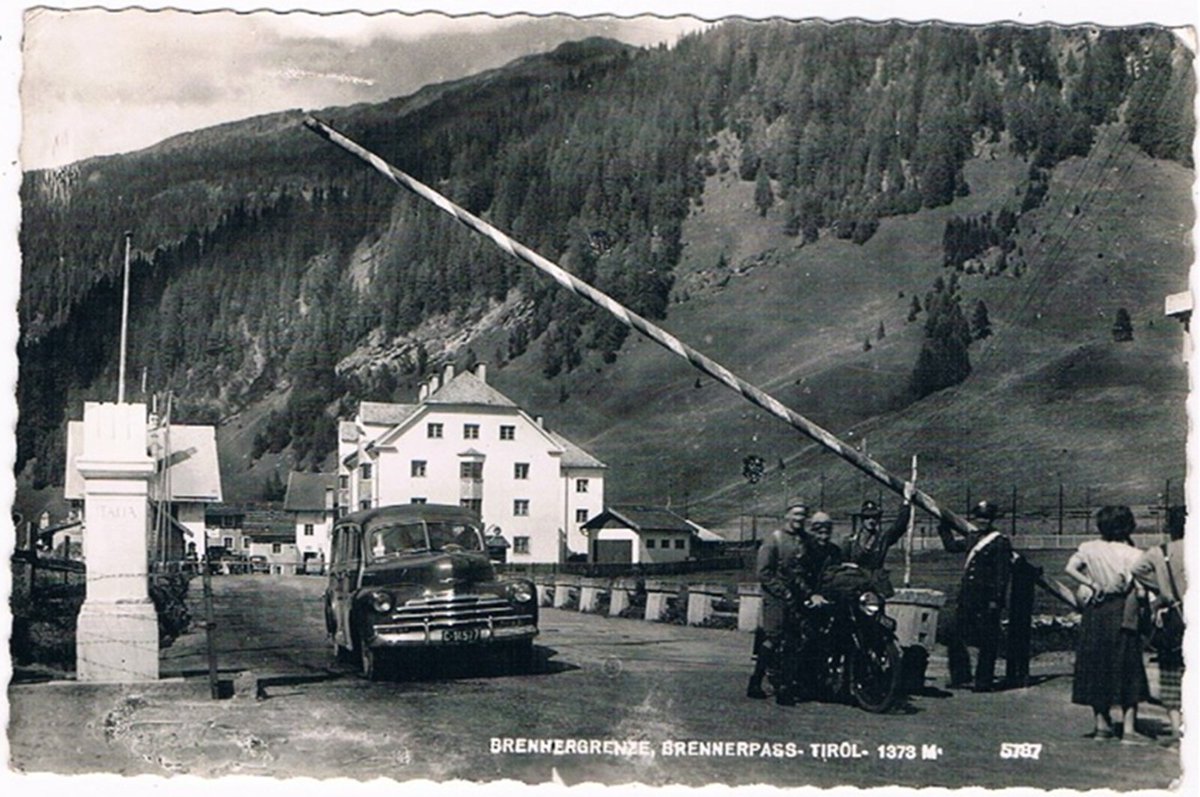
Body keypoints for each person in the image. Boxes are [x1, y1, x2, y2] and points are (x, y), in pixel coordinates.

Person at [1065, 505, 1150, 743]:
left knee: (1096, 664)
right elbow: (1142, 590)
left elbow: (1070, 568)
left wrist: (1092, 584)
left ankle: (1101, 725)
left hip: (1095, 611)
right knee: (1127, 666)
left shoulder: (1089, 547)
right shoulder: (1134, 553)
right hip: (1122, 611)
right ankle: (1130, 730)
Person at [747, 498, 833, 705]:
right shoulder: (774, 539)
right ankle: (756, 681)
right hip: (776, 598)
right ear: (787, 515)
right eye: (795, 514)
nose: (799, 518)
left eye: (803, 515)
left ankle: (785, 687)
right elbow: (764, 573)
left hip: (799, 596)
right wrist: (783, 592)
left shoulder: (806, 540)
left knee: (795, 641)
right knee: (773, 639)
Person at [938, 500, 1012, 692]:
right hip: (968, 596)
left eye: (986, 517)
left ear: (992, 519)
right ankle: (961, 676)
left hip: (986, 598)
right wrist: (944, 526)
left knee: (988, 641)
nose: (982, 521)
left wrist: (996, 600)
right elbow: (952, 546)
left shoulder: (1000, 542)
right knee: (953, 634)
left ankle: (983, 681)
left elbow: (1002, 574)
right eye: (979, 517)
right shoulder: (972, 538)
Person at [1132, 504, 1186, 747]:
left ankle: (1177, 731)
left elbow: (1137, 570)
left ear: (1168, 526)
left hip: (1175, 615)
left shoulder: (1159, 552)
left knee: (1172, 675)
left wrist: (1162, 592)